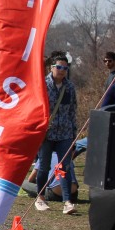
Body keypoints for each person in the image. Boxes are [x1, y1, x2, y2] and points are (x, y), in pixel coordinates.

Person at [35, 54, 78, 214]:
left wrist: (74, 134)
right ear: (51, 67)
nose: (61, 70)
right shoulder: (43, 85)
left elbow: (73, 111)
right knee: (44, 166)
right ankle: (40, 197)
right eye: (59, 67)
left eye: (65, 68)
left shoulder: (70, 87)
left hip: (65, 133)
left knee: (65, 167)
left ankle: (67, 201)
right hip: (47, 133)